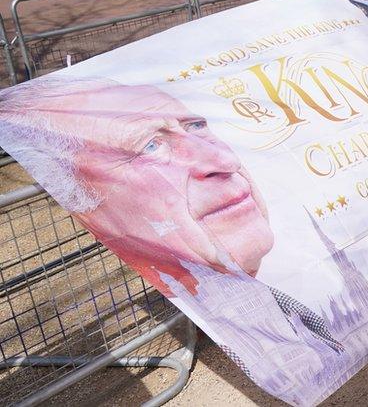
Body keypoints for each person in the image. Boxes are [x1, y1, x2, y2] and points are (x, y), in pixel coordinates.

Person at [0, 79, 347, 405]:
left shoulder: (295, 285)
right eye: (150, 146)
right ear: (78, 201)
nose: (225, 160)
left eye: (196, 126)